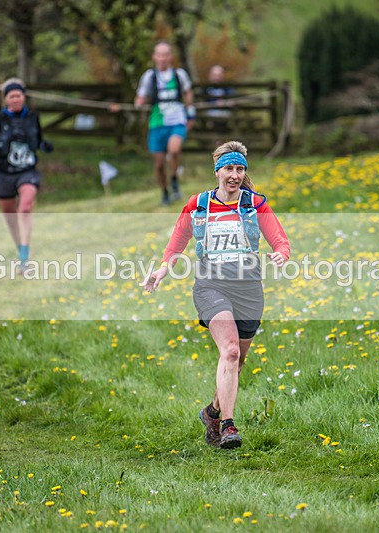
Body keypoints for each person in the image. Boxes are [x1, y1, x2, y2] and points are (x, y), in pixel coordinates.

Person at [143, 140, 290, 449]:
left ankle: (211, 412)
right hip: (212, 285)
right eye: (228, 168)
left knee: (237, 362)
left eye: (239, 169)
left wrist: (281, 252)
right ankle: (228, 425)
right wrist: (161, 270)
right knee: (231, 351)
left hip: (249, 289)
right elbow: (178, 240)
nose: (234, 175)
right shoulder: (199, 204)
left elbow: (279, 238)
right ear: (217, 172)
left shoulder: (254, 203)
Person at [0, 78, 53, 269]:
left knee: (25, 207)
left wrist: (44, 145)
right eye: (12, 96)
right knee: (9, 215)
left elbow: (39, 139)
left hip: (27, 172)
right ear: (6, 99)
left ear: (24, 97)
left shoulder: (32, 117)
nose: (17, 99)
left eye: (19, 95)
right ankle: (21, 250)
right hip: (5, 174)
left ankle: (25, 258)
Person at [134, 41, 196, 205]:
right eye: (159, 55)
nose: (162, 58)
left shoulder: (179, 74)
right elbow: (141, 95)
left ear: (170, 56)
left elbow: (188, 93)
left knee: (174, 150)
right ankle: (165, 192)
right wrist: (138, 103)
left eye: (166, 54)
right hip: (157, 122)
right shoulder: (149, 76)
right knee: (159, 163)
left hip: (177, 120)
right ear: (155, 57)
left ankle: (174, 177)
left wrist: (191, 114)